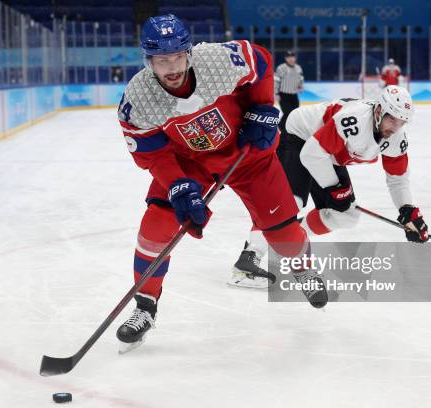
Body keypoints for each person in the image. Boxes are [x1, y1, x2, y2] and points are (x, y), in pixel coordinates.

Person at [116, 14, 327, 354]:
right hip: (190, 163)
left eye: (177, 57)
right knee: (155, 226)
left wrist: (262, 108)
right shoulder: (137, 100)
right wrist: (178, 186)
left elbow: (260, 60)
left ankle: (303, 268)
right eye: (161, 60)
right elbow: (152, 152)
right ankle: (145, 305)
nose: (171, 67)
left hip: (248, 156)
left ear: (188, 52)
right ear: (148, 60)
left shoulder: (217, 61)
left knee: (284, 235)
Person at [230, 86, 430, 283]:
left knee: (347, 215)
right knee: (292, 202)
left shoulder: (397, 138)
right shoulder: (355, 121)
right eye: (391, 119)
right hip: (301, 135)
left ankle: (289, 236)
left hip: (328, 151)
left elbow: (397, 177)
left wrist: (407, 210)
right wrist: (334, 187)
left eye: (401, 122)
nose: (394, 127)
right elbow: (311, 153)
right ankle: (248, 259)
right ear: (379, 111)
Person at [229, 50, 304, 289]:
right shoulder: (277, 73)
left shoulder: (297, 70)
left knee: (286, 206)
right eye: (289, 56)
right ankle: (249, 258)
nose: (291, 59)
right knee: (284, 203)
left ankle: (254, 254)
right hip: (281, 142)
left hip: (289, 127)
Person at [274, 50, 304, 134]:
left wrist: (300, 86)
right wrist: (276, 93)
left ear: (295, 58)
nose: (291, 59)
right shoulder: (281, 68)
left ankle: (286, 127)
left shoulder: (298, 68)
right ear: (286, 58)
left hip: (294, 95)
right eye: (288, 57)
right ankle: (282, 128)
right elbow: (276, 80)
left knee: (294, 113)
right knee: (288, 112)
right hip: (283, 94)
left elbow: (300, 79)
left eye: (292, 57)